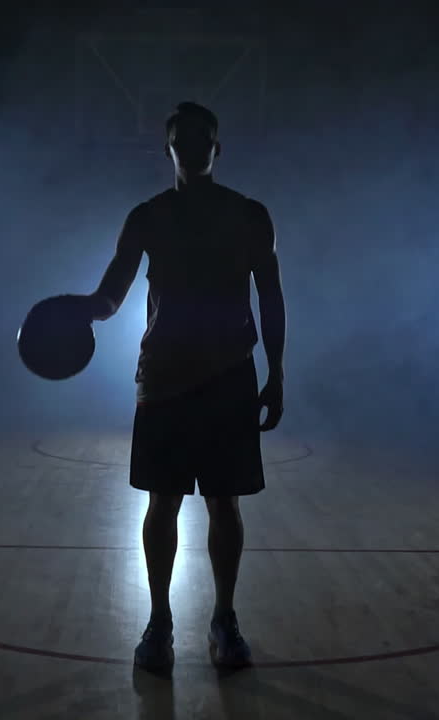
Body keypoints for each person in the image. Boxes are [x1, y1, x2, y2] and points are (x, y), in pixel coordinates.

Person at [71, 101, 287, 672]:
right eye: (182, 138)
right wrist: (73, 311)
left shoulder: (250, 215)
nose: (192, 145)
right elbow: (110, 297)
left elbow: (271, 296)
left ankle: (223, 619)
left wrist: (278, 371)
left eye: (203, 137)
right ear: (168, 148)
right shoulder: (147, 216)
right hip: (164, 378)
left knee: (224, 502)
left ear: (218, 146)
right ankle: (159, 623)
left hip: (227, 377)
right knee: (162, 501)